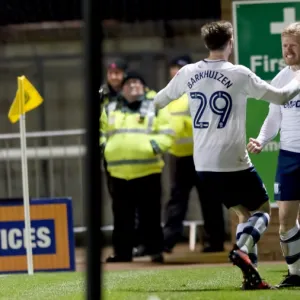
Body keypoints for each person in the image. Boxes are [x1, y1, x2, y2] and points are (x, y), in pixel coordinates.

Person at [153, 20, 300, 290]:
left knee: (244, 215)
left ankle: (251, 278)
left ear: (207, 44)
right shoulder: (239, 73)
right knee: (263, 211)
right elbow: (279, 99)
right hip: (233, 160)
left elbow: (159, 100)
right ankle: (243, 249)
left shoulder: (187, 72)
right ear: (230, 43)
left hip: (203, 164)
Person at [100, 71, 173, 263]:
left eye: (137, 83)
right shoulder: (111, 107)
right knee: (122, 217)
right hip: (118, 172)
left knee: (151, 215)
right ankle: (122, 253)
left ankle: (155, 251)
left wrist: (154, 147)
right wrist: (104, 147)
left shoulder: (154, 106)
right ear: (122, 89)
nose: (133, 86)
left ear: (144, 87)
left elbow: (167, 131)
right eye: (129, 84)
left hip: (148, 170)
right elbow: (100, 129)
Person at [247, 22, 300, 288]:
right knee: (286, 220)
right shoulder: (281, 78)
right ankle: (296, 274)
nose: (287, 50)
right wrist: (261, 138)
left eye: (293, 45)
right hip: (289, 157)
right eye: (284, 46)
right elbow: (273, 116)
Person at [163, 55, 225, 253]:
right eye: (173, 67)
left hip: (203, 155)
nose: (176, 72)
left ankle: (214, 241)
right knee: (177, 202)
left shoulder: (199, 90)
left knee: (210, 200)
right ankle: (167, 242)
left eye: (180, 68)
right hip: (180, 157)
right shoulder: (169, 94)